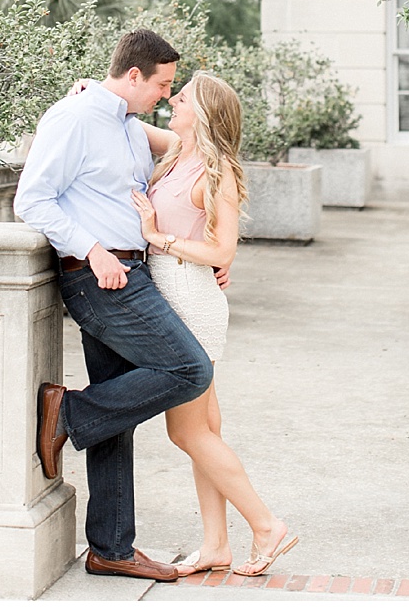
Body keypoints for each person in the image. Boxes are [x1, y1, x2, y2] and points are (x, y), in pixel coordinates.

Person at [14, 29, 209, 583]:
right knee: (188, 368)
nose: (167, 96)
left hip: (132, 269)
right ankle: (67, 414)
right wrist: (93, 250)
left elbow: (198, 153)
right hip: (100, 279)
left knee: (115, 416)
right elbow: (31, 199)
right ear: (133, 77)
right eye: (163, 85)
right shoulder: (73, 119)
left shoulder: (127, 125)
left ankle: (110, 548)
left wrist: (217, 249)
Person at [124, 72, 297, 578]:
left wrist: (157, 236)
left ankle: (265, 525)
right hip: (174, 296)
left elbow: (222, 251)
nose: (171, 102)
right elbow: (125, 121)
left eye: (181, 98)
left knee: (186, 431)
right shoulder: (178, 150)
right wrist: (90, 91)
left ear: (202, 113)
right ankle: (216, 544)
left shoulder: (216, 174)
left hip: (189, 303)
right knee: (204, 429)